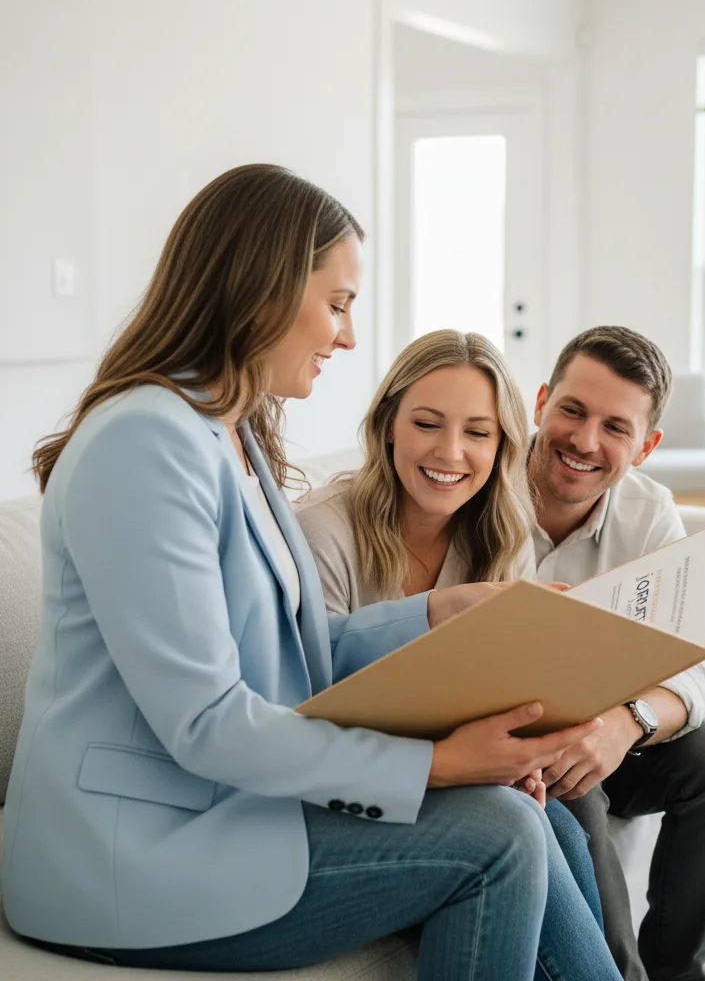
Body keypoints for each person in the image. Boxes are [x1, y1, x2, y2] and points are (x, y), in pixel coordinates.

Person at [0, 165, 622, 981]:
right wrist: (441, 765)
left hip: (223, 814)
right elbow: (208, 723)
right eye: (337, 304)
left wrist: (442, 612)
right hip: (128, 860)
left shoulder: (232, 433)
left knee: (542, 821)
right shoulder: (145, 442)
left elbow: (289, 652)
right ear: (261, 292)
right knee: (498, 835)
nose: (348, 336)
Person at [295, 327, 604, 927]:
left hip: (463, 778)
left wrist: (524, 763)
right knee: (531, 826)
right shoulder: (323, 533)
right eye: (427, 424)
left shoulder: (502, 538)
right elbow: (306, 697)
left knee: (558, 819)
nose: (450, 452)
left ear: (502, 446)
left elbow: (518, 692)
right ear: (389, 424)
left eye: (477, 433)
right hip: (353, 786)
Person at [526, 326, 705, 981]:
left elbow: (691, 661)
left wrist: (624, 724)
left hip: (613, 728)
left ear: (647, 445)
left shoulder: (649, 512)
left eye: (615, 427)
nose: (585, 440)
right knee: (574, 783)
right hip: (525, 738)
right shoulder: (482, 488)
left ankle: (677, 970)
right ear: (542, 402)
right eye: (571, 410)